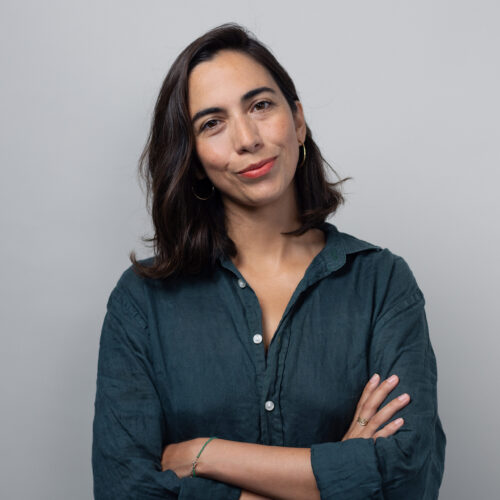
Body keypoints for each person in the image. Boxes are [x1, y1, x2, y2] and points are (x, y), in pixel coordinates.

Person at [92, 23, 446, 500]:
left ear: (297, 121)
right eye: (211, 123)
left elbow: (409, 478)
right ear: (195, 158)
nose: (246, 138)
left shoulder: (382, 283)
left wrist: (205, 453)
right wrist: (340, 475)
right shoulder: (143, 301)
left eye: (260, 106)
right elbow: (125, 491)